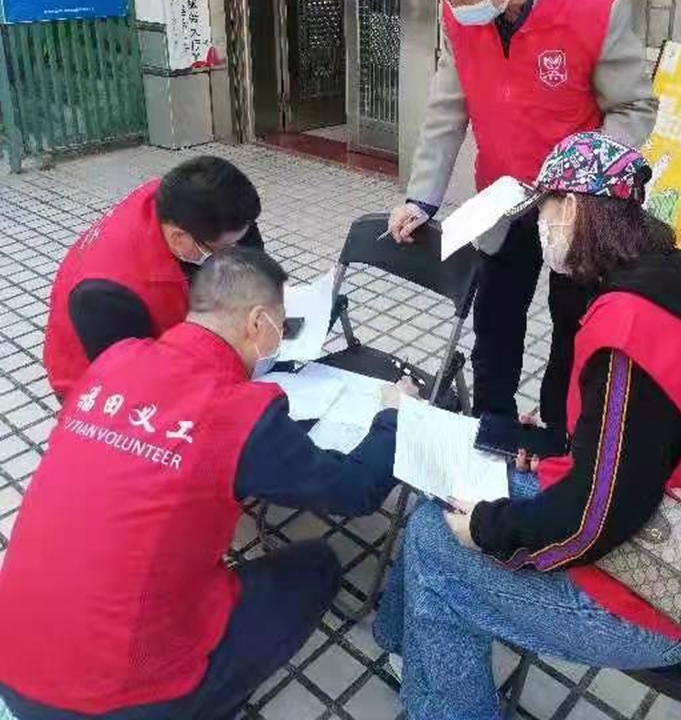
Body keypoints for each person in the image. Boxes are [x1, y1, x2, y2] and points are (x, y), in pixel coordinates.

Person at [375, 131, 681, 720]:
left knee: (438, 543)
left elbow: (592, 522)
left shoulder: (631, 329)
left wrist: (486, 529)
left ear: (576, 209)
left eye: (546, 209)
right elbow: (646, 442)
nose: (541, 225)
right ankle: (415, 652)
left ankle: (436, 677)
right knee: (449, 493)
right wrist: (569, 437)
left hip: (673, 591)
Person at [0, 247, 415, 720]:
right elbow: (356, 490)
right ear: (257, 322)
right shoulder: (239, 413)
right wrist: (394, 417)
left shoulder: (115, 359)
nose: (280, 336)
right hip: (113, 698)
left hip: (12, 655)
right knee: (316, 567)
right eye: (281, 325)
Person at [388, 0, 657, 441]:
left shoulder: (597, 11)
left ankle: (560, 433)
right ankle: (493, 427)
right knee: (494, 323)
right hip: (503, 200)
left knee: (573, 325)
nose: (452, 8)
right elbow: (447, 107)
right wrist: (421, 197)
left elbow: (634, 108)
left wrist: (580, 173)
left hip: (576, 211)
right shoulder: (460, 15)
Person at [43, 155, 266, 401]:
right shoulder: (105, 295)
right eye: (226, 248)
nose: (235, 253)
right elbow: (134, 384)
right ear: (179, 238)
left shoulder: (181, 198)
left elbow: (245, 242)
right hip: (97, 384)